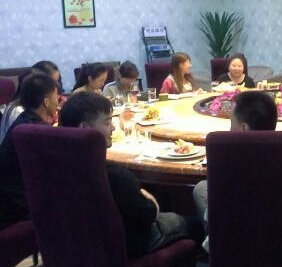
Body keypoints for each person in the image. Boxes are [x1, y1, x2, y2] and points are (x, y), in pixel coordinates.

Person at [59, 92, 203, 257]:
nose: (113, 128)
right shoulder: (113, 175)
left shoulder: (57, 167)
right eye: (107, 122)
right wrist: (148, 197)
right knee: (194, 223)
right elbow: (148, 214)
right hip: (126, 246)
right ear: (84, 128)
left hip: (75, 247)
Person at [192, 91, 278, 252]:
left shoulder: (226, 163)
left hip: (233, 252)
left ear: (244, 128)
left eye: (231, 122)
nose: (229, 129)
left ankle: (221, 253)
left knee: (201, 188)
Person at [0, 73, 59, 228]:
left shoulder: (24, 120)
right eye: (56, 97)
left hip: (8, 199)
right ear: (46, 102)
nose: (58, 102)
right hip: (18, 208)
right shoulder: (37, 131)